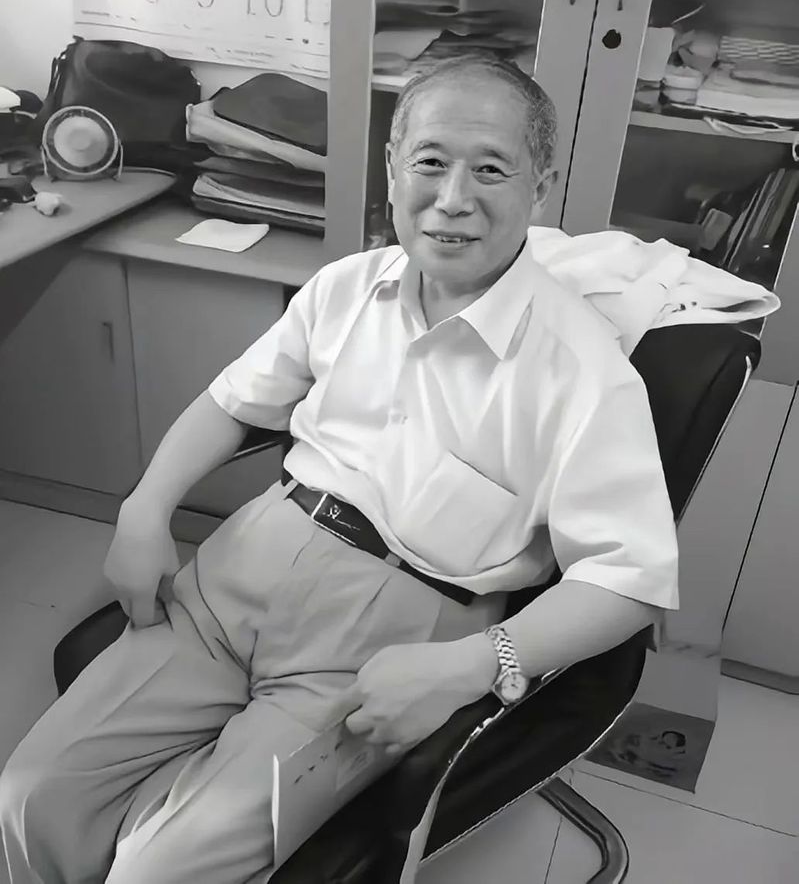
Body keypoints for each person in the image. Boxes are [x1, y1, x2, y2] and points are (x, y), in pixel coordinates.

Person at [0, 52, 679, 883]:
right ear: (392, 170)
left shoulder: (582, 369)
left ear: (539, 188)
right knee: (29, 797)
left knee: (159, 865)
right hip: (234, 578)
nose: (452, 197)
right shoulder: (345, 287)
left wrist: (472, 664)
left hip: (383, 641)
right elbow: (231, 401)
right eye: (429, 161)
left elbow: (630, 581)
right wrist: (144, 509)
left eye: (490, 169)